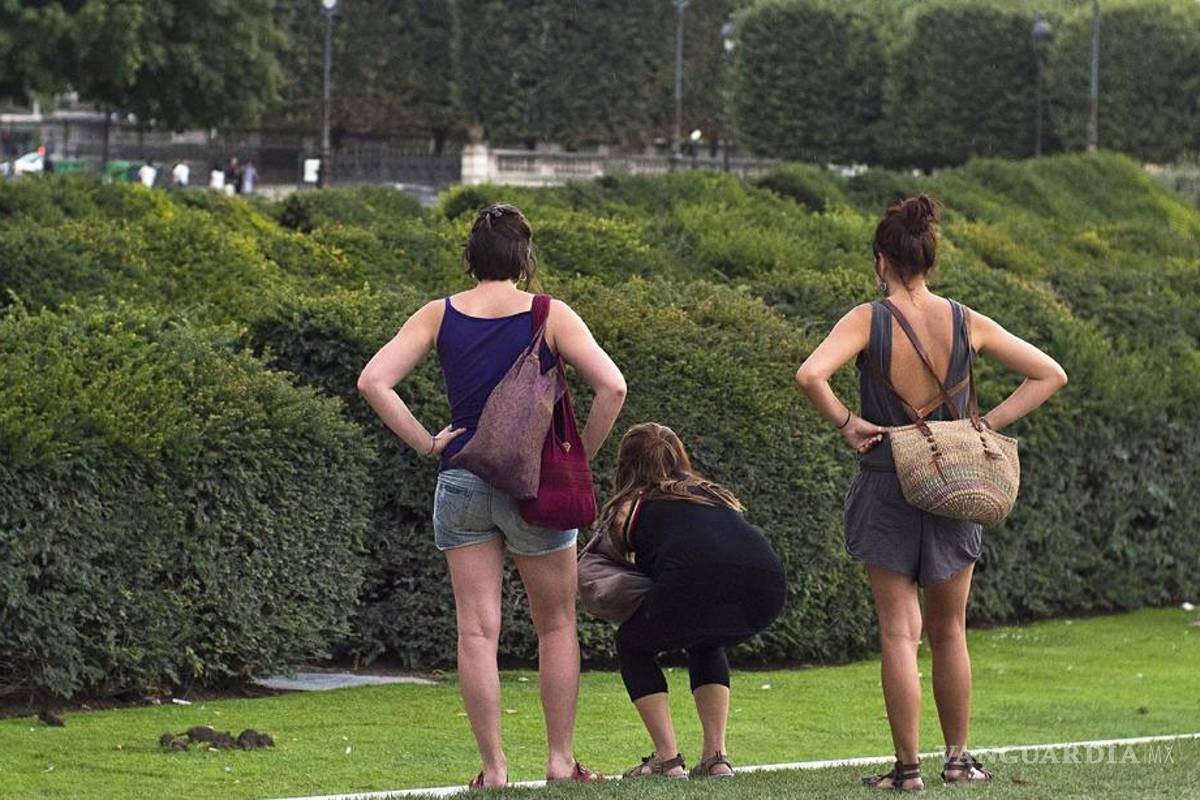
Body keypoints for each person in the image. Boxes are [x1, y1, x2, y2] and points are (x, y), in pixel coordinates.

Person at [795, 195, 1067, 791]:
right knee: (950, 632)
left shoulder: (868, 318)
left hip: (889, 476)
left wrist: (846, 422)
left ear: (881, 262)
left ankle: (908, 770)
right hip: (957, 482)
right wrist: (985, 425)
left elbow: (810, 374)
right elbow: (1050, 373)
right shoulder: (968, 321)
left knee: (899, 632)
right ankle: (959, 761)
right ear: (929, 261)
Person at [357, 203, 626, 790]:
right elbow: (613, 386)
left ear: (470, 259)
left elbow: (373, 379)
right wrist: (580, 454)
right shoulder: (549, 315)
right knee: (555, 625)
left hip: (462, 480)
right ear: (525, 258)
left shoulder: (439, 314)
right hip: (536, 489)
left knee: (476, 631)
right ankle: (559, 761)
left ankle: (494, 770)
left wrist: (428, 444)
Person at [600, 423, 786, 781]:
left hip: (693, 584)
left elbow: (624, 563)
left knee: (632, 645)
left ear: (626, 463)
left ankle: (668, 762)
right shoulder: (712, 493)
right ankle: (717, 758)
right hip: (766, 588)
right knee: (706, 640)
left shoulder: (629, 506)